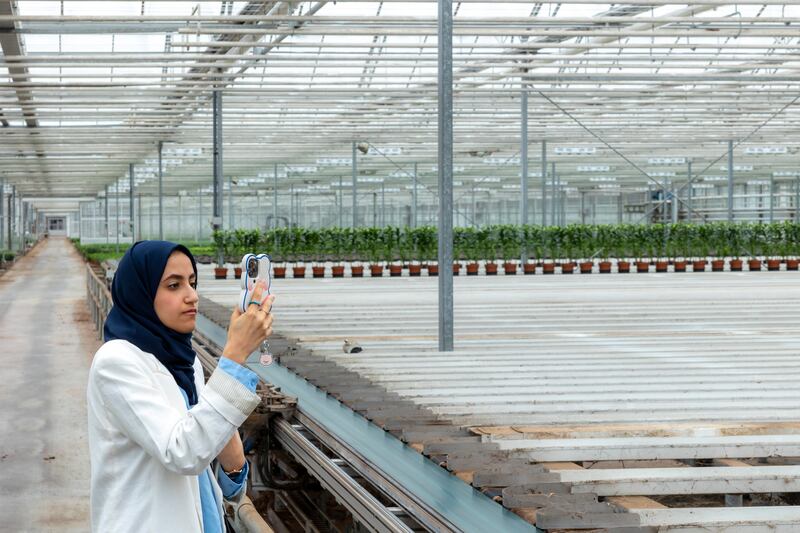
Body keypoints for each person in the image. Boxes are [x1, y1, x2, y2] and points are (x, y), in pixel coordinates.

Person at [86, 240, 275, 532]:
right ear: (141, 294)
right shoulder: (116, 362)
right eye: (174, 286)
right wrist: (234, 355)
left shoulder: (185, 362)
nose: (192, 296)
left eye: (192, 282)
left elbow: (203, 430)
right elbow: (182, 451)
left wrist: (234, 469)